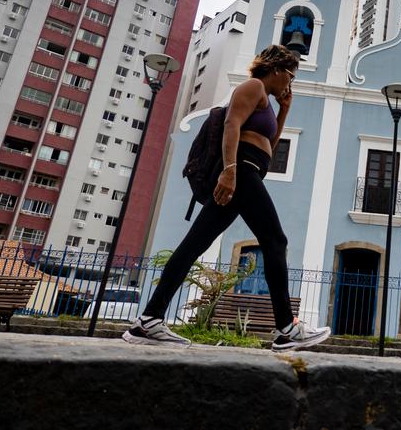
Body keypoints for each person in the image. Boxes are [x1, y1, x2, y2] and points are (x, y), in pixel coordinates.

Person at [123, 44, 330, 351]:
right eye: (291, 75)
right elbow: (232, 124)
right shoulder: (253, 86)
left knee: (193, 245)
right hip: (242, 171)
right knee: (275, 241)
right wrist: (230, 172)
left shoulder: (268, 102)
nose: (291, 82)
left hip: (250, 171)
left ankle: (149, 320)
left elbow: (269, 147)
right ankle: (287, 327)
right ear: (276, 69)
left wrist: (285, 110)